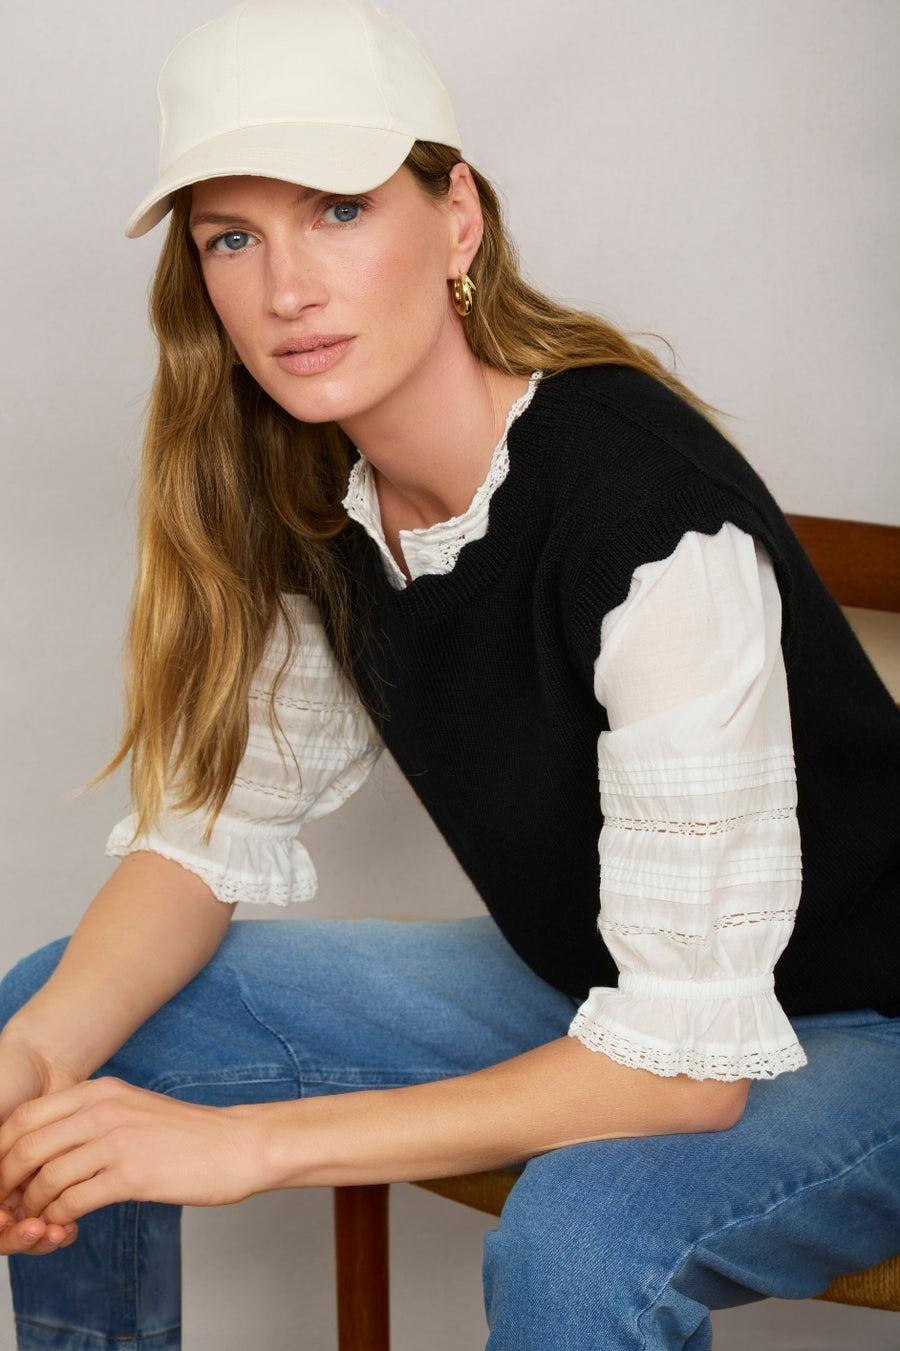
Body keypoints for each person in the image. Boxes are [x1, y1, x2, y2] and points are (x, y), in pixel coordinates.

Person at [1, 0, 898, 1346]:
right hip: (599, 979)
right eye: (232, 237)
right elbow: (208, 839)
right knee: (55, 1013)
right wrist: (30, 1061)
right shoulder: (320, 497)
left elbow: (685, 1075)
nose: (286, 289)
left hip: (862, 1024)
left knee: (583, 1236)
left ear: (458, 218)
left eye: (339, 210)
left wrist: (247, 1147)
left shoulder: (648, 519)